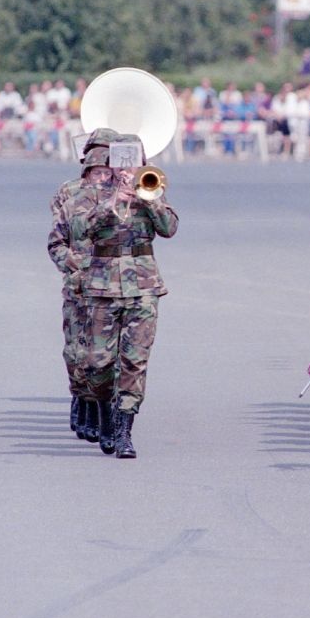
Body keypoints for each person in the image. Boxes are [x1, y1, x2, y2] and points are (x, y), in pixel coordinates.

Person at [67, 133, 179, 458]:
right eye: (122, 157)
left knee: (135, 362)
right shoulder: (92, 193)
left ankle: (124, 433)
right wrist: (113, 200)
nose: (128, 165)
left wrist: (148, 199)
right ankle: (104, 414)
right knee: (99, 365)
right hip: (102, 288)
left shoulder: (151, 187)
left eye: (135, 157)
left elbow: (170, 228)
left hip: (143, 289)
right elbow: (79, 230)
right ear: (112, 160)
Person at [48, 128, 120, 442]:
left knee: (106, 354)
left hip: (112, 286)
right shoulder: (69, 193)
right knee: (77, 351)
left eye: (108, 166)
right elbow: (58, 241)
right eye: (96, 168)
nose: (102, 173)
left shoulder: (123, 194)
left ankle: (104, 409)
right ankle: (83, 402)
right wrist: (76, 267)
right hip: (79, 285)